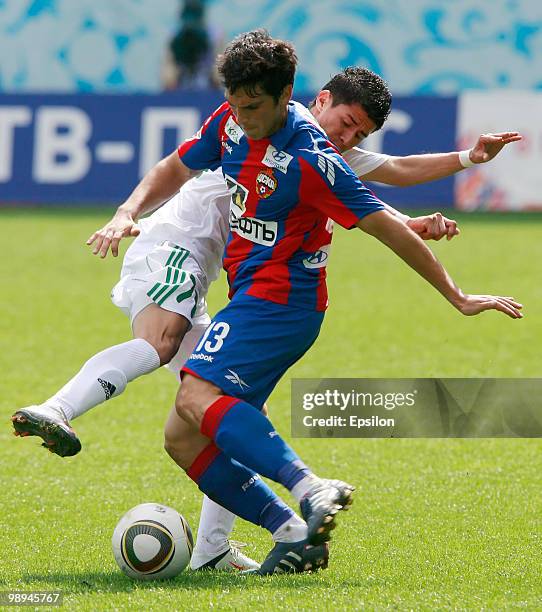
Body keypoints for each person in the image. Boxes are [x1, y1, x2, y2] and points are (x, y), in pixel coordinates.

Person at [12, 53, 522, 572]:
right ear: (317, 99)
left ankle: (270, 520)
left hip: (264, 295)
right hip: (177, 247)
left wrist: (442, 226)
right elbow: (186, 164)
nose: (349, 137)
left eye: (358, 133)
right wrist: (126, 212)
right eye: (346, 123)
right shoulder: (247, 121)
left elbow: (377, 190)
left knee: (200, 411)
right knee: (194, 404)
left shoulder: (317, 154)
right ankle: (263, 529)